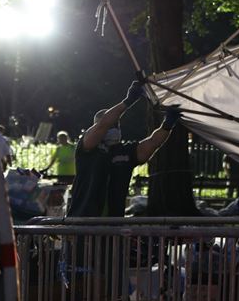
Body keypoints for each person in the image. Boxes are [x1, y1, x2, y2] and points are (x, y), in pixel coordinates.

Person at [67, 81, 182, 218]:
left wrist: (168, 124)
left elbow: (152, 143)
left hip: (113, 226)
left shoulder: (125, 152)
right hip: (82, 222)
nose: (113, 128)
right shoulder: (87, 149)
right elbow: (103, 124)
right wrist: (128, 101)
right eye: (111, 125)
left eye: (117, 125)